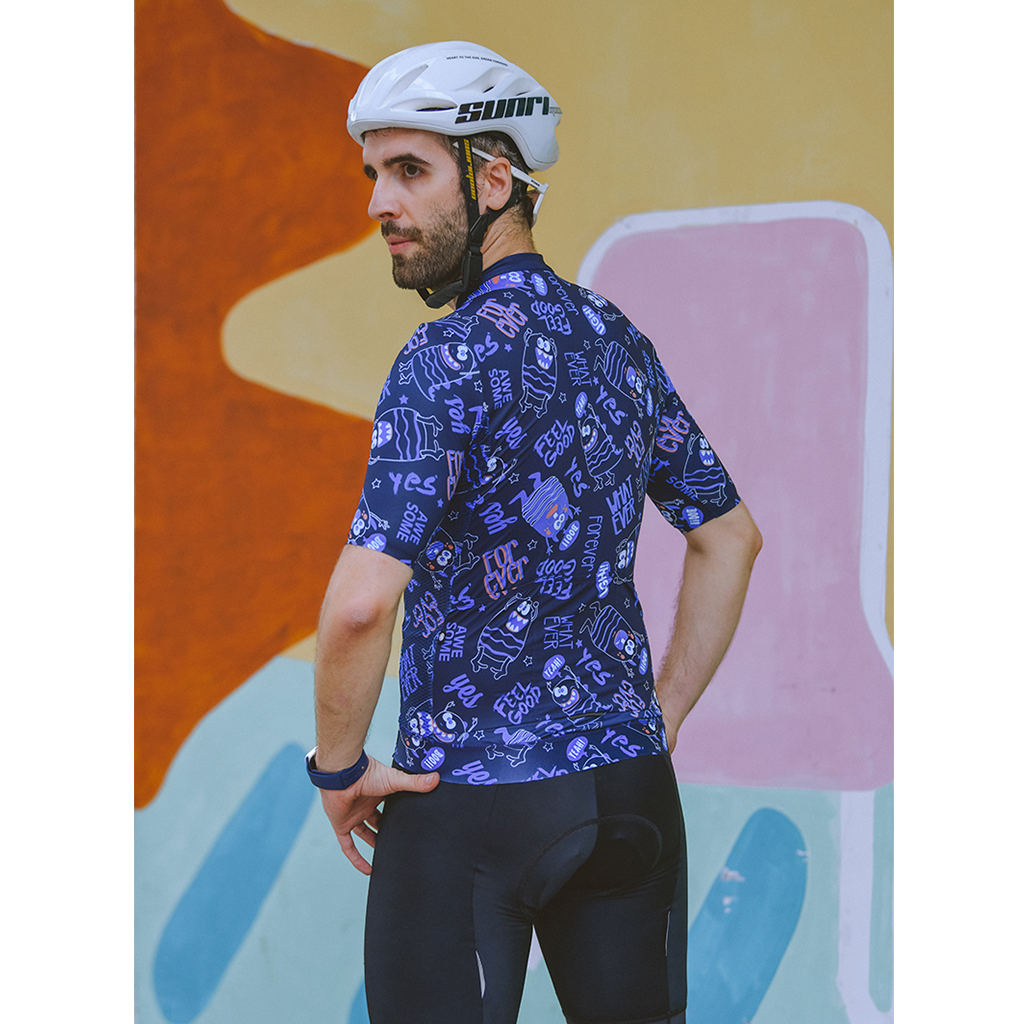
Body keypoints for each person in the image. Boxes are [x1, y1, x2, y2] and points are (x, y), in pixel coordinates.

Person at [306, 41, 762, 1024]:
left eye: (410, 170)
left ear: (495, 179)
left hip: (466, 803)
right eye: (373, 174)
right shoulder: (616, 341)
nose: (379, 203)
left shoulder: (441, 359)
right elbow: (730, 535)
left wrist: (339, 768)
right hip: (630, 795)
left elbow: (359, 606)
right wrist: (660, 715)